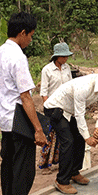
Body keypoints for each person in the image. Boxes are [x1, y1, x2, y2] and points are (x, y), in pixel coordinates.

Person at [0, 12, 47, 195]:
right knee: (23, 171)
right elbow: (26, 97)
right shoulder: (18, 57)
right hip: (19, 121)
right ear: (23, 33)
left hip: (4, 121)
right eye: (30, 35)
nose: (30, 40)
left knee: (8, 164)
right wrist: (38, 129)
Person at [44, 63, 98, 194]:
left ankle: (73, 172)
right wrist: (88, 137)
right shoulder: (84, 86)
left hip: (69, 112)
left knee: (79, 138)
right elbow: (80, 115)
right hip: (55, 109)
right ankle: (61, 181)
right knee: (68, 141)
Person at [38, 42, 73, 174]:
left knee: (63, 135)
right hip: (52, 106)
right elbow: (44, 91)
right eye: (63, 56)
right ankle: (45, 164)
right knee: (50, 135)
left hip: (65, 106)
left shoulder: (67, 68)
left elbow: (70, 86)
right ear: (57, 56)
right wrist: (48, 108)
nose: (65, 59)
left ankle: (58, 161)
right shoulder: (47, 70)